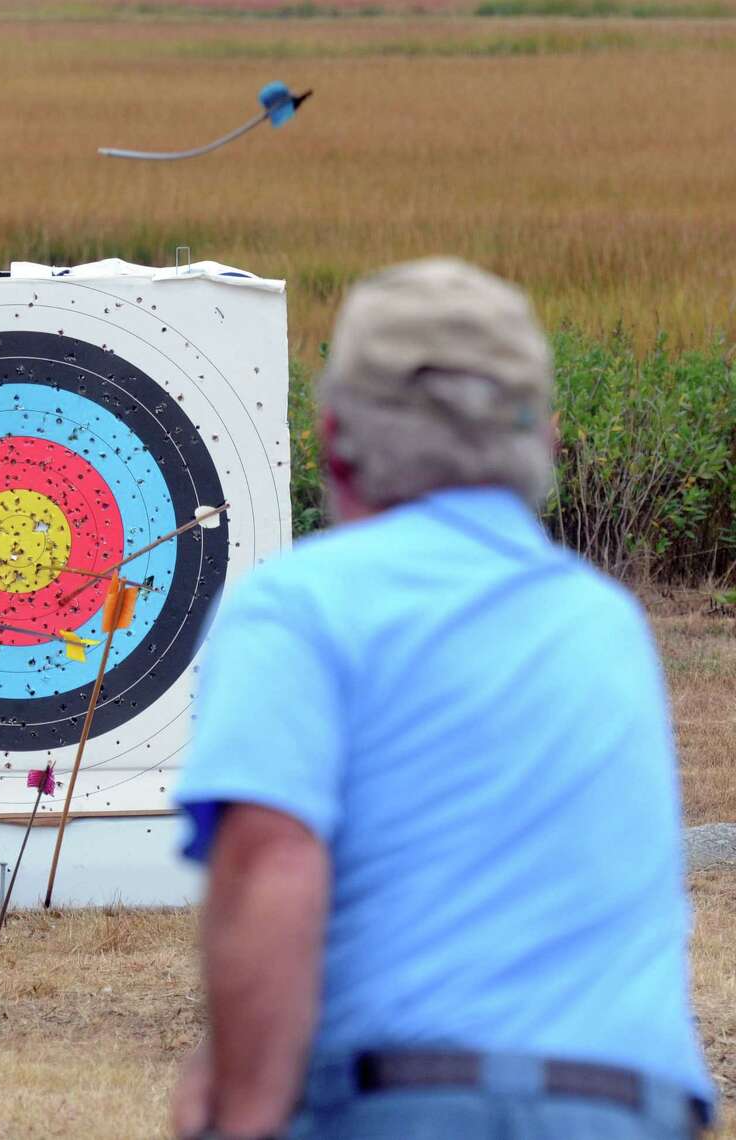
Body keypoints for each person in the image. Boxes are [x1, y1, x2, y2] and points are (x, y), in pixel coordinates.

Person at [171, 258, 714, 1140]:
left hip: (409, 1102)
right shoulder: (606, 621)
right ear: (546, 439)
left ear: (334, 435)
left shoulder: (299, 604)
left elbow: (269, 862)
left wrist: (241, 1112)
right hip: (632, 1109)